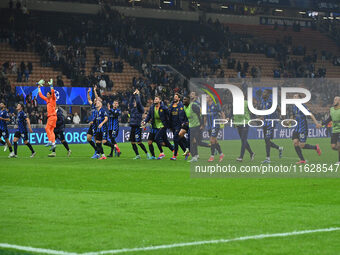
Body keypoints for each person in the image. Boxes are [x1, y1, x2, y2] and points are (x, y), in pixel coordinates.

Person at [291, 94, 322, 164]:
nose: (294, 98)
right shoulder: (294, 107)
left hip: (303, 128)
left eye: (296, 97)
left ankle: (315, 147)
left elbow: (310, 115)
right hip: (296, 128)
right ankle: (302, 160)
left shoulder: (303, 106)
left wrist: (316, 123)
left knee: (302, 145)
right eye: (293, 97)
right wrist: (289, 122)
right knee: (295, 142)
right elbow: (293, 116)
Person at [142, 95, 173, 160]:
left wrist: (169, 124)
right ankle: (153, 156)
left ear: (159, 100)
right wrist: (145, 121)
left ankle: (162, 153)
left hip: (162, 126)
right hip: (154, 127)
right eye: (154, 99)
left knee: (157, 139)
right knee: (150, 142)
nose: (154, 100)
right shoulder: (152, 107)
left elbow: (169, 116)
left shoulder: (164, 108)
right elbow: (149, 116)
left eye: (156, 99)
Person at [260, 89, 283, 163]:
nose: (263, 94)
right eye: (263, 92)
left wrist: (283, 119)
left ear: (268, 94)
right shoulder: (263, 101)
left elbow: (279, 110)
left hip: (271, 122)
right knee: (267, 141)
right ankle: (279, 148)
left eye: (264, 92)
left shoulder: (271, 101)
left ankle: (268, 158)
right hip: (265, 123)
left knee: (267, 139)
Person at [129, 89, 150, 160]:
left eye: (135, 102)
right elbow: (130, 102)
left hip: (138, 126)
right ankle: (137, 155)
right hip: (132, 126)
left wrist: (137, 95)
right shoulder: (132, 108)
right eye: (134, 102)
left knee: (139, 142)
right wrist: (133, 95)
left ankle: (147, 153)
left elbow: (138, 102)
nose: (134, 103)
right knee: (132, 142)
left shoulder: (140, 109)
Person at [38, 79, 57, 152]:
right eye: (47, 94)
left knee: (47, 128)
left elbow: (52, 92)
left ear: (50, 95)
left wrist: (51, 86)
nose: (47, 95)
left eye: (48, 94)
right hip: (53, 117)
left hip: (52, 117)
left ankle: (50, 141)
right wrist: (39, 87)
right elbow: (40, 95)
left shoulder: (53, 99)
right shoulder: (47, 100)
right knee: (51, 131)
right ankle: (53, 143)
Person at [168, 93, 188, 160]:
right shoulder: (171, 106)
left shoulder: (181, 106)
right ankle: (186, 151)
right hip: (172, 125)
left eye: (176, 97)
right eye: (174, 97)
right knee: (179, 140)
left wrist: (184, 122)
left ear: (179, 98)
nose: (174, 98)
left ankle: (174, 156)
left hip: (179, 125)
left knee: (175, 139)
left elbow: (185, 115)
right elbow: (169, 116)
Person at [206, 95, 224, 162]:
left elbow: (222, 112)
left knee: (212, 140)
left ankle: (212, 156)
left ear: (211, 98)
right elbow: (205, 116)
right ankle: (221, 154)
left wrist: (223, 120)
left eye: (207, 97)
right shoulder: (206, 106)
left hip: (215, 125)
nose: (206, 99)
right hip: (209, 126)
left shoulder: (216, 105)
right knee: (215, 141)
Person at [322, 96, 340, 164]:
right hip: (334, 130)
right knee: (333, 146)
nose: (334, 101)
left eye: (336, 100)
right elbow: (329, 118)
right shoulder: (331, 109)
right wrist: (322, 124)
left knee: (339, 145)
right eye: (334, 99)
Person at [87, 87, 98, 157]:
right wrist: (88, 92)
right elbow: (88, 99)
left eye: (95, 100)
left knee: (96, 139)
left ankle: (97, 153)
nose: (94, 100)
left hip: (97, 124)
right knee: (88, 138)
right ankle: (96, 150)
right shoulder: (93, 106)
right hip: (92, 124)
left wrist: (94, 91)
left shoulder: (98, 107)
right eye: (94, 100)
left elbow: (97, 97)